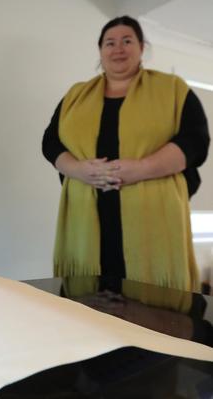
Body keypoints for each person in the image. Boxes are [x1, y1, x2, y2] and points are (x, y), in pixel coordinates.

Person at [42, 15, 210, 292]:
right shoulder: (76, 95)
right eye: (110, 42)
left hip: (152, 221)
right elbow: (51, 143)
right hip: (87, 216)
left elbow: (195, 140)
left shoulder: (172, 89)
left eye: (127, 41)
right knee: (92, 308)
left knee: (151, 315)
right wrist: (78, 169)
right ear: (100, 51)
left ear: (142, 48)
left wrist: (141, 168)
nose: (118, 48)